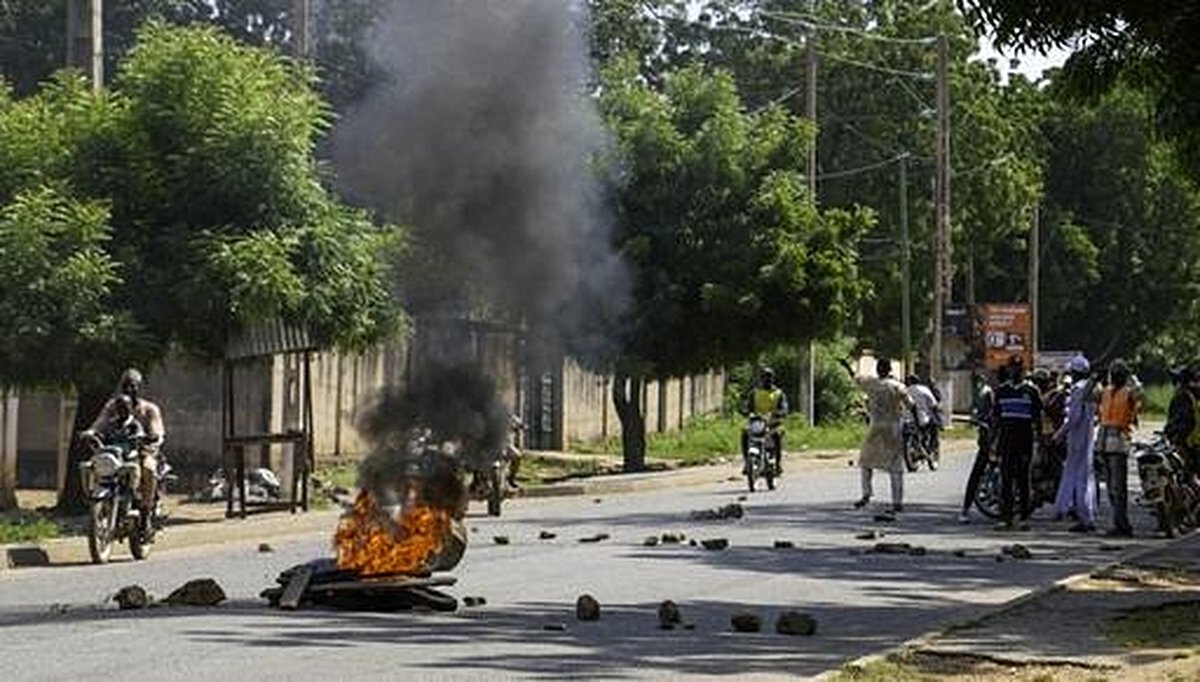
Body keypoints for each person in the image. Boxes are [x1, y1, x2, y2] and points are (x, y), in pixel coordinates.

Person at [82, 368, 165, 534]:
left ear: (139, 388)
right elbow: (101, 422)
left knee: (148, 469)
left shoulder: (149, 409)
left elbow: (157, 431)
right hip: (117, 453)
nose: (129, 389)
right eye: (125, 385)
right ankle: (99, 500)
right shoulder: (113, 406)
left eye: (133, 386)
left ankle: (145, 513)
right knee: (94, 465)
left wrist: (152, 437)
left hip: (143, 451)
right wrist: (91, 432)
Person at [842, 357, 911, 516]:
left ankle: (866, 494)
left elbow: (855, 377)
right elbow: (910, 404)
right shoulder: (898, 386)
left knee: (866, 461)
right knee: (895, 466)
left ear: (878, 369)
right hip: (893, 428)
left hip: (876, 427)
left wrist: (847, 366)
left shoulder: (871, 383)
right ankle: (897, 502)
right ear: (890, 370)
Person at [993, 355, 1042, 530]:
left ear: (1023, 370)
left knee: (1023, 478)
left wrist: (1039, 441)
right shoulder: (1001, 390)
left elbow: (1037, 418)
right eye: (1013, 368)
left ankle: (1023, 518)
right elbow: (996, 418)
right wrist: (993, 442)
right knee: (1006, 478)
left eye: (1018, 369)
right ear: (1009, 370)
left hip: (1024, 440)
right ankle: (1006, 517)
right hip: (1006, 440)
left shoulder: (1032, 390)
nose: (1015, 372)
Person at [1095, 359, 1142, 537]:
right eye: (1113, 373)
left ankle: (1121, 524)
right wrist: (1094, 378)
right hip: (1104, 442)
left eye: (1119, 374)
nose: (1115, 376)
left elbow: (1141, 395)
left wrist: (1132, 378)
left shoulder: (1129, 393)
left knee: (1118, 487)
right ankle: (1120, 523)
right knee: (1110, 487)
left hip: (1119, 443)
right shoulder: (1105, 391)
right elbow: (1085, 397)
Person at [1052, 355, 1099, 532]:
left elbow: (1074, 417)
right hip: (1087, 436)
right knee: (1085, 475)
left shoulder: (1079, 390)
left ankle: (1084, 517)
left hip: (1077, 437)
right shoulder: (1090, 388)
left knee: (1079, 476)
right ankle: (1078, 512)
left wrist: (1059, 434)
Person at [959, 369, 996, 523]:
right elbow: (977, 412)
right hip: (987, 438)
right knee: (977, 473)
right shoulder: (979, 392)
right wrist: (977, 420)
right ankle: (965, 509)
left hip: (996, 438)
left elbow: (992, 413)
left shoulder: (988, 392)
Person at [741, 367, 788, 476]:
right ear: (761, 379)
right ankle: (747, 462)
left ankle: (778, 464)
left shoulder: (778, 393)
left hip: (773, 423)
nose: (767, 379)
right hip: (756, 422)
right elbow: (748, 406)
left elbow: (784, 408)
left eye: (769, 377)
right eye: (764, 377)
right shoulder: (754, 393)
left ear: (773, 379)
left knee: (777, 435)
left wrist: (779, 413)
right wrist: (746, 411)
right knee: (745, 434)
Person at [1164, 365, 1200, 481]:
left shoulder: (1182, 397)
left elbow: (1186, 421)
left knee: (1185, 478)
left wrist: (1172, 434)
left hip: (1188, 444)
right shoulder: (1191, 395)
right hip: (1194, 442)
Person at [903, 375, 940, 456]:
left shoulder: (905, 390)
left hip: (905, 418)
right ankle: (931, 448)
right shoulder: (924, 389)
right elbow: (934, 403)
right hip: (922, 417)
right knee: (934, 427)